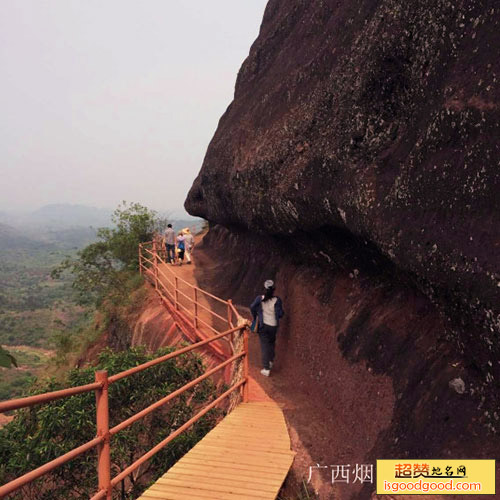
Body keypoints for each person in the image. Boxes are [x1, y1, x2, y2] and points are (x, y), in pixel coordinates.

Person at [250, 280, 284, 377]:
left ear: (264, 289)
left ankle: (266, 368)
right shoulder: (277, 300)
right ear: (274, 290)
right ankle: (270, 361)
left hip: (263, 326)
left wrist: (256, 315)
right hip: (273, 326)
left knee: (264, 345)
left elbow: (252, 307)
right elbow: (281, 314)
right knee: (271, 343)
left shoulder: (259, 298)